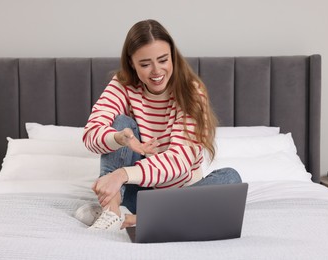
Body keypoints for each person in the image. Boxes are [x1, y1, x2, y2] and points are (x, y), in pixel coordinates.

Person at [79, 19, 242, 230]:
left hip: (180, 197)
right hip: (136, 195)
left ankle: (137, 219)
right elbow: (91, 133)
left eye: (163, 60)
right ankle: (111, 211)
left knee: (231, 179)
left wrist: (122, 174)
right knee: (121, 124)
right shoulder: (122, 85)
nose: (156, 71)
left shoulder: (191, 92)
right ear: (132, 63)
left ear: (173, 56)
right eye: (145, 64)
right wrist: (117, 138)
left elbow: (180, 161)